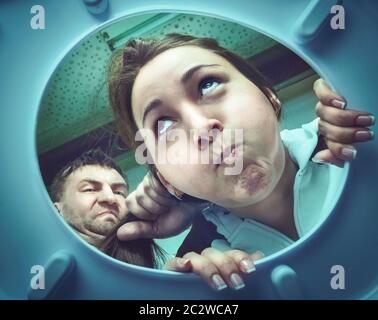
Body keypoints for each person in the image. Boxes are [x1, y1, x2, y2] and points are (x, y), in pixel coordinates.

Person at [107, 33, 375, 263]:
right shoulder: (202, 265)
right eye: (163, 125)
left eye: (207, 84)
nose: (202, 128)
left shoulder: (355, 133)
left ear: (267, 95)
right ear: (165, 178)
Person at [50, 149, 261, 290]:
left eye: (119, 192)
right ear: (56, 209)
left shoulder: (154, 275)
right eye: (89, 189)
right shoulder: (36, 278)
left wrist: (167, 298)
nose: (110, 198)